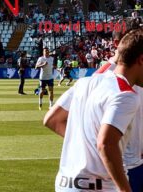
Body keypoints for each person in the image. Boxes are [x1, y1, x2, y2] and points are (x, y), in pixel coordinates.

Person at [49, 29, 143, 192]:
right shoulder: (126, 95)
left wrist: (86, 146)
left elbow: (52, 119)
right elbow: (105, 143)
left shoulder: (85, 82)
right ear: (141, 60)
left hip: (65, 183)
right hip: (99, 186)